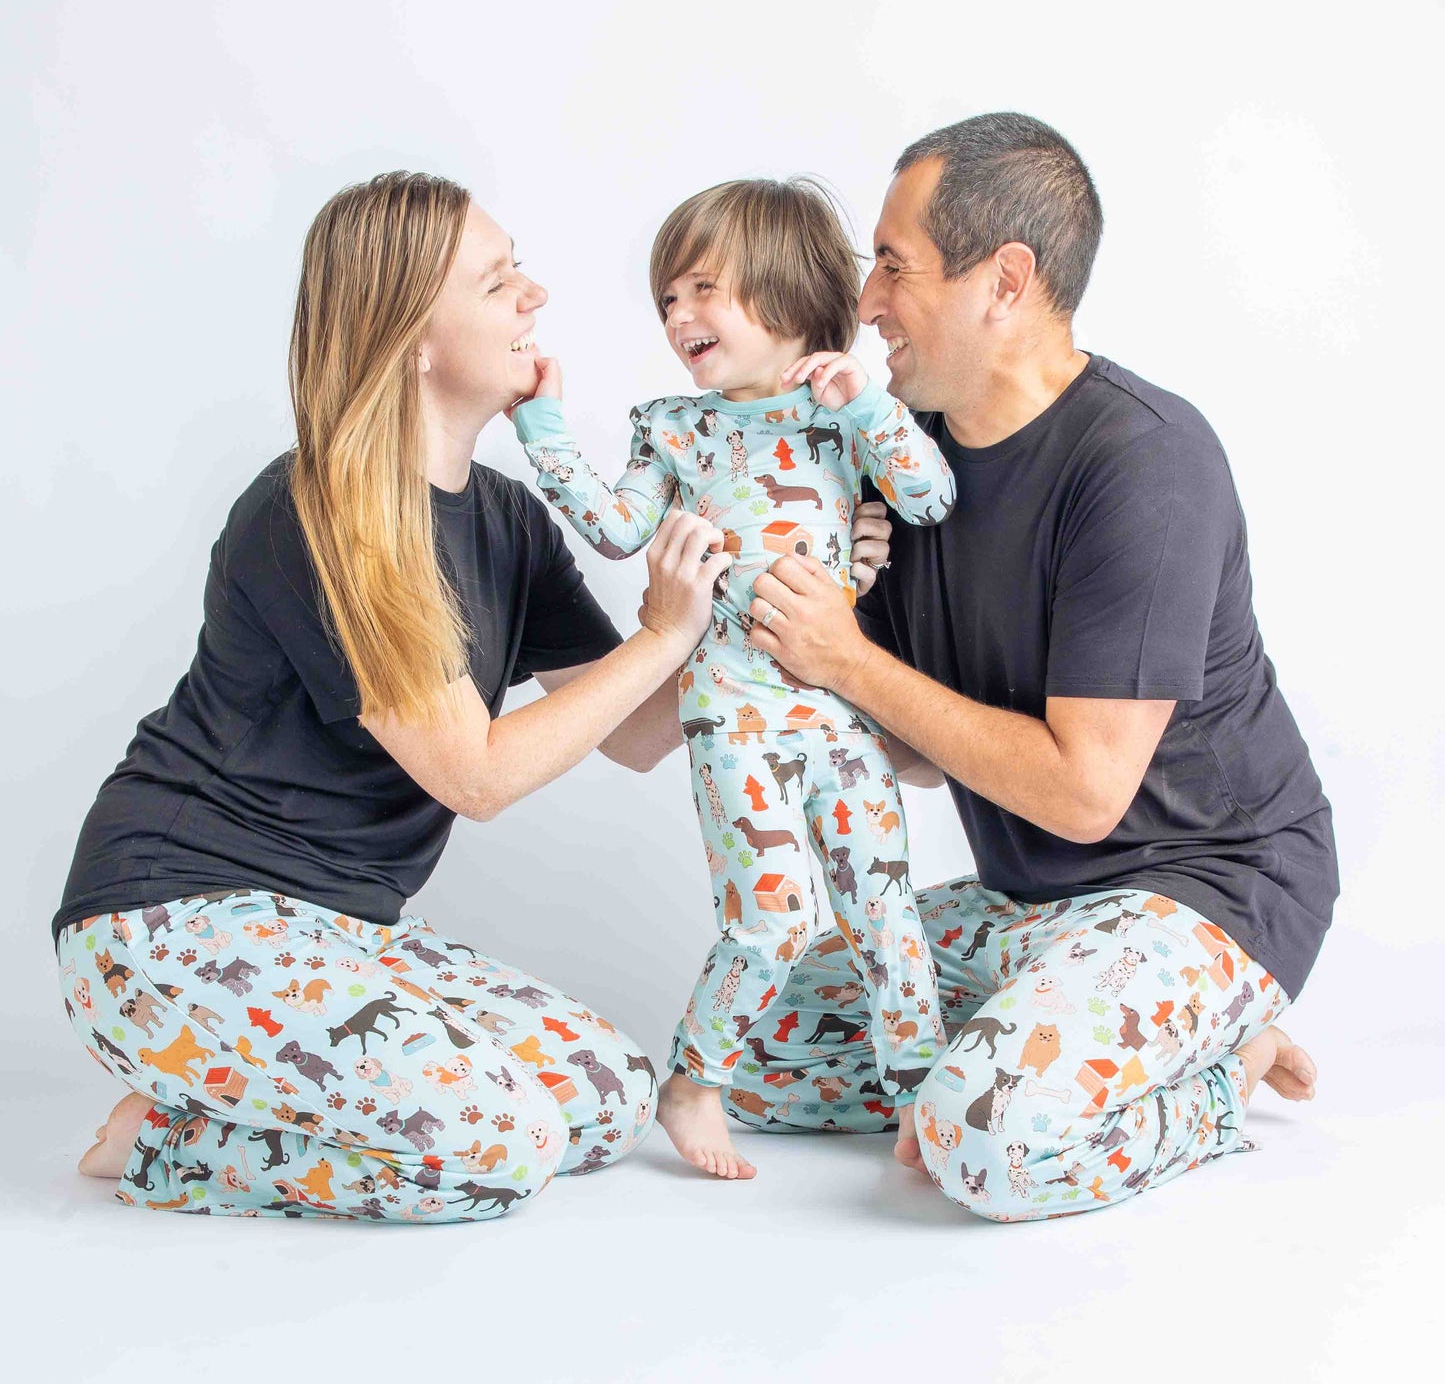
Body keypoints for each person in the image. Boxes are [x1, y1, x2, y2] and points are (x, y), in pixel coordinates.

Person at [52, 171, 886, 1222]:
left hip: (348, 928)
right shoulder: (321, 513)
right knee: (504, 1148)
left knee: (610, 1095)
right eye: (497, 283)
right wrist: (663, 629)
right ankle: (164, 1141)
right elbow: (476, 774)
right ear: (413, 339)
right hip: (167, 918)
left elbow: (632, 731)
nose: (533, 295)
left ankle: (255, 1102)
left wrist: (794, 590)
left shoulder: (503, 518)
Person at [724, 113, 1335, 1221]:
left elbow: (1083, 791)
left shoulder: (1144, 462)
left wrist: (847, 659)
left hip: (1205, 889)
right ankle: (1059, 1022)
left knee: (979, 1141)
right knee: (751, 1052)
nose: (865, 305)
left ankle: (1217, 1074)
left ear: (1004, 280)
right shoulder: (908, 468)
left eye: (894, 266)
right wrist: (808, 611)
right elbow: (915, 753)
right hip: (1031, 901)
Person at [509, 178, 955, 1179]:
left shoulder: (841, 411)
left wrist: (872, 407)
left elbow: (927, 498)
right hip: (730, 719)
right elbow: (619, 528)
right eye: (666, 298)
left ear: (786, 294)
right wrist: (542, 424)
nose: (677, 317)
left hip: (841, 716)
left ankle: (917, 1103)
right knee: (771, 917)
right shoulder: (669, 426)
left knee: (888, 917)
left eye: (701, 289)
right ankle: (693, 1081)